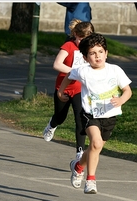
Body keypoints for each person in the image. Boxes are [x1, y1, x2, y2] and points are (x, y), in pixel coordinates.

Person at [57, 33, 132, 194]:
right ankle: (90, 180)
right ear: (85, 57)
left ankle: (78, 166)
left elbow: (127, 91)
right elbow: (68, 78)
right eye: (92, 53)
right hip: (90, 114)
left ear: (106, 53)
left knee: (95, 148)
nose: (97, 56)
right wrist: (60, 92)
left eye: (100, 52)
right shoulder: (82, 71)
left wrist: (121, 101)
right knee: (96, 143)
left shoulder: (115, 70)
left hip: (109, 115)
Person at [42, 20, 95, 160]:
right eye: (81, 39)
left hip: (79, 89)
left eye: (86, 39)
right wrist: (74, 72)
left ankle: (79, 152)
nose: (83, 42)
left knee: (80, 119)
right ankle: (52, 125)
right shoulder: (68, 46)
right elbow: (57, 64)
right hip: (64, 87)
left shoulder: (91, 49)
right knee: (60, 117)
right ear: (75, 34)